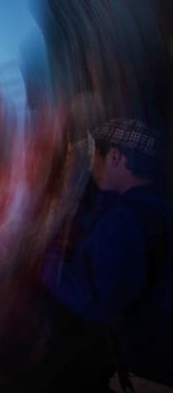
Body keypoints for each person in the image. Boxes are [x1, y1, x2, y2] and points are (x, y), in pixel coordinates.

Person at [41, 118, 172, 391]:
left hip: (148, 374)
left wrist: (45, 262)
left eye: (95, 158)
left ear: (114, 157)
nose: (92, 167)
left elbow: (97, 301)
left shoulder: (124, 219)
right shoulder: (159, 205)